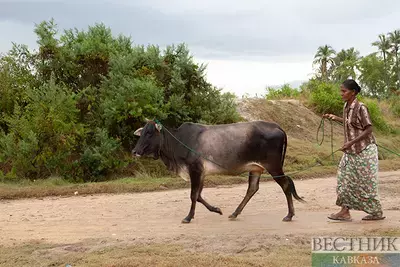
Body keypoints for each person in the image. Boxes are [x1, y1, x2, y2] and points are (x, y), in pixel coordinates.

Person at [323, 79, 385, 221]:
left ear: (353, 92)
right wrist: (335, 118)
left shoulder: (361, 107)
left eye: (344, 91)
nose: (341, 94)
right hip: (350, 152)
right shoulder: (346, 106)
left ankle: (376, 212)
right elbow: (350, 122)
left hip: (365, 151)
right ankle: (344, 212)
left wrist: (351, 142)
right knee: (344, 180)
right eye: (341, 91)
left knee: (366, 183)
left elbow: (369, 129)